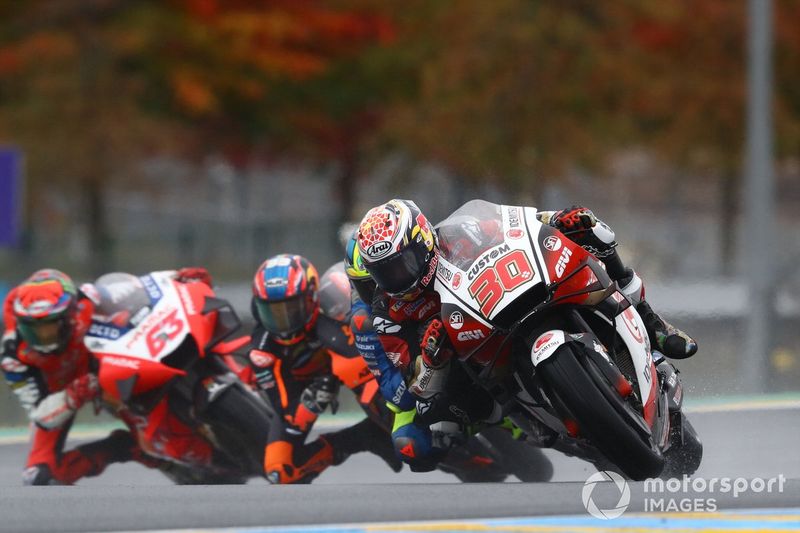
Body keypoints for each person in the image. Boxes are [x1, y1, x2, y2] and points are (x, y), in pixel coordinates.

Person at [356, 199, 697, 471]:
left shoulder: (461, 234)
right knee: (445, 414)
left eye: (403, 264)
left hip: (510, 297)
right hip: (471, 361)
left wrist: (559, 219)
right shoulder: (388, 313)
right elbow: (414, 384)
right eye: (385, 272)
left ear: (423, 238)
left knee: (594, 232)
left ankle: (652, 322)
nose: (397, 278)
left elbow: (519, 225)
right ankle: (543, 422)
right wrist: (431, 359)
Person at [248, 254, 400, 484]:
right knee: (280, 470)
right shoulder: (262, 349)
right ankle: (362, 437)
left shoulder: (333, 298)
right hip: (305, 389)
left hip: (352, 370)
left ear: (311, 298)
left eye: (291, 309)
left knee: (361, 376)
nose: (284, 321)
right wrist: (309, 404)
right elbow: (284, 408)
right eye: (273, 313)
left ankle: (407, 423)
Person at [0, 269, 150, 485]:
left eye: (51, 326)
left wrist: (175, 281)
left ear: (69, 314)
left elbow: (139, 292)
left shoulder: (87, 299)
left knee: (153, 438)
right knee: (38, 477)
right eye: (35, 329)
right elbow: (41, 416)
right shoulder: (12, 357)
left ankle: (165, 451)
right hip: (59, 397)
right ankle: (118, 448)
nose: (44, 338)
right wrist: (73, 394)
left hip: (111, 373)